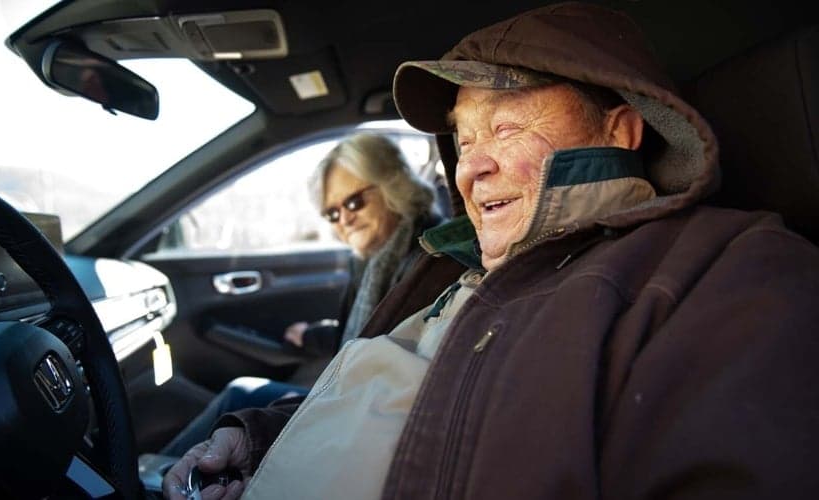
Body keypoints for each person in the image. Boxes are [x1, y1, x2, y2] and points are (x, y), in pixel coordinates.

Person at [163, 3, 819, 499]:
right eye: (463, 140)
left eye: (505, 126)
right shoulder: (456, 269)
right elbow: (401, 395)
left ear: (618, 129)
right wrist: (260, 445)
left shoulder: (730, 267)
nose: (468, 172)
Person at [159, 132, 442, 457]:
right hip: (348, 396)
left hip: (364, 419)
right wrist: (311, 335)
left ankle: (156, 478)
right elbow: (364, 332)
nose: (344, 219)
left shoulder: (426, 261)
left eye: (353, 202)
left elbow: (390, 358)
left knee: (240, 395)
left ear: (392, 185)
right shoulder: (375, 258)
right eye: (332, 213)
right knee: (241, 397)